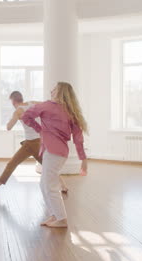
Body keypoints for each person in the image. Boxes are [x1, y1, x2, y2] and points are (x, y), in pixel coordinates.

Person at [22, 82, 88, 228]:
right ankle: (55, 215)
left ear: (60, 93)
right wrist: (83, 159)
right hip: (60, 152)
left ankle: (61, 219)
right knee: (44, 183)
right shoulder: (71, 111)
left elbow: (26, 116)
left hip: (53, 151)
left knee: (49, 185)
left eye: (55, 89)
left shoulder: (47, 105)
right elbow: (78, 139)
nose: (51, 90)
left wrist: (39, 129)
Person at [0, 91, 68, 196]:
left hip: (32, 144)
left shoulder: (18, 111)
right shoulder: (32, 103)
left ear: (13, 101)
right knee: (46, 165)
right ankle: (63, 186)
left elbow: (8, 127)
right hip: (37, 142)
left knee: (12, 164)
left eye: (11, 101)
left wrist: (11, 119)